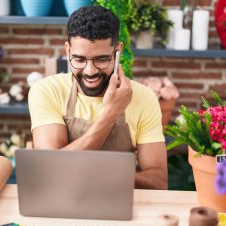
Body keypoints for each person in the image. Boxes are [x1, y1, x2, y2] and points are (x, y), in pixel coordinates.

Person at [28, 5, 167, 190]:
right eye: (79, 59)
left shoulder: (144, 98)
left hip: (119, 206)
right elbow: (53, 170)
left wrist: (100, 176)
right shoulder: (46, 91)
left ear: (117, 51)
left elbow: (159, 182)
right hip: (61, 202)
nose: (90, 71)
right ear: (67, 50)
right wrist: (111, 113)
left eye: (101, 59)